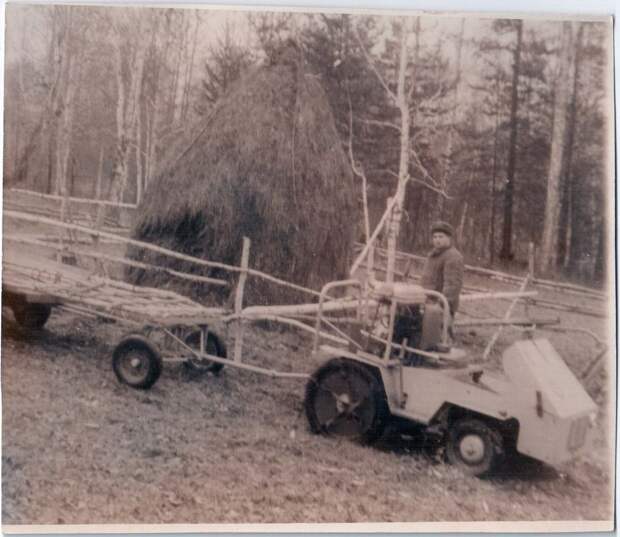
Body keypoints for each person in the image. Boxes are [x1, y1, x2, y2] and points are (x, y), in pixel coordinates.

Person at [420, 221, 464, 317]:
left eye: (441, 236)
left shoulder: (453, 256)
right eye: (435, 237)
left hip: (439, 306)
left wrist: (440, 305)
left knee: (433, 330)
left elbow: (452, 285)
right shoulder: (433, 255)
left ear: (449, 238)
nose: (437, 240)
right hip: (426, 301)